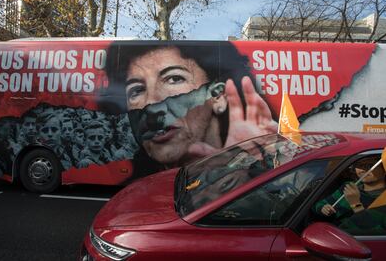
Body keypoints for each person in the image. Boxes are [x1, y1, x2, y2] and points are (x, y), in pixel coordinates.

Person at [104, 41, 277, 173]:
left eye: (174, 79)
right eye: (136, 90)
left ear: (217, 96)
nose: (151, 104)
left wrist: (264, 165)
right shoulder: (136, 193)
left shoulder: (254, 162)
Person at [314, 156, 386, 223]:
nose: (362, 170)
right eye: (358, 165)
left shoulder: (383, 198)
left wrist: (355, 203)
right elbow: (319, 204)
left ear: (384, 169)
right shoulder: (349, 186)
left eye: (369, 165)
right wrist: (323, 209)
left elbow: (370, 229)